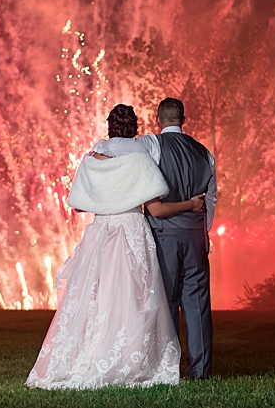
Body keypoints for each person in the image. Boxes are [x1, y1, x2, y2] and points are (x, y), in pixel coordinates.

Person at [26, 104, 205, 390]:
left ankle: (91, 356)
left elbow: (78, 205)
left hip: (101, 234)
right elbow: (156, 210)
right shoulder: (141, 160)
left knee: (98, 298)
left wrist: (107, 199)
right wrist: (192, 204)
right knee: (135, 299)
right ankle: (129, 359)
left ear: (109, 126)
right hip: (132, 231)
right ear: (135, 128)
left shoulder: (92, 160)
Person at [90, 97, 217, 380]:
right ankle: (200, 371)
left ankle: (168, 367)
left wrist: (98, 149)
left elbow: (118, 146)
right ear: (183, 119)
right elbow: (211, 198)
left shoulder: (153, 144)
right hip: (195, 233)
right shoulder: (205, 153)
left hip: (163, 232)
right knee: (197, 303)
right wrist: (204, 232)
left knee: (165, 300)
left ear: (159, 119)